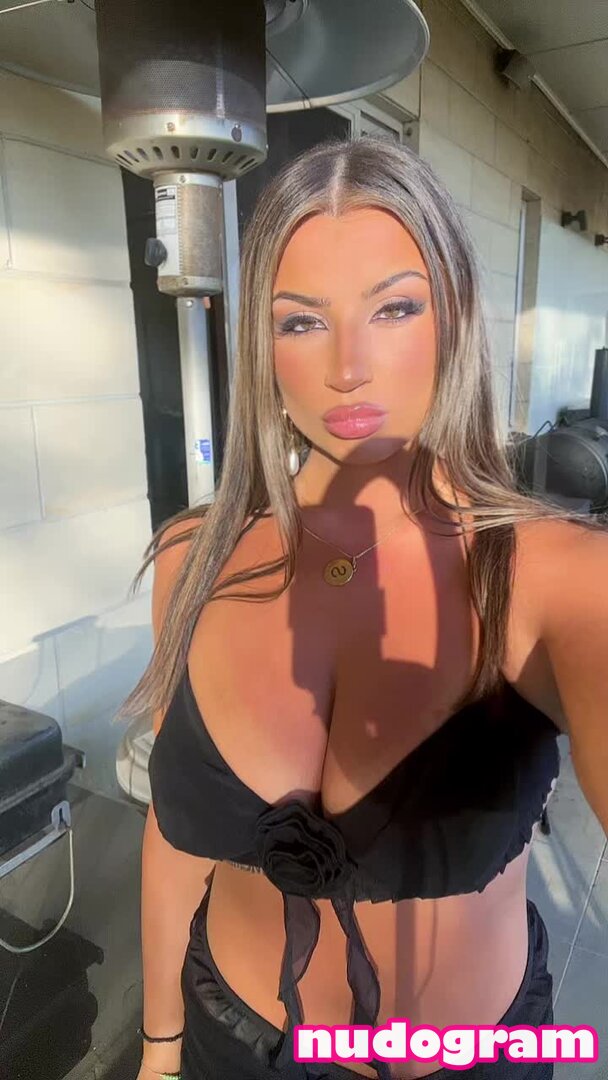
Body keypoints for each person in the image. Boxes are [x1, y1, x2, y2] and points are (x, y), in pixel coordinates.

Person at [118, 135, 608, 1080]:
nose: (348, 366)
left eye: (394, 307)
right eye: (302, 321)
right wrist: (159, 1044)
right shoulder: (195, 557)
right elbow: (174, 833)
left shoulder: (549, 575)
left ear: (453, 317)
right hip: (229, 1037)